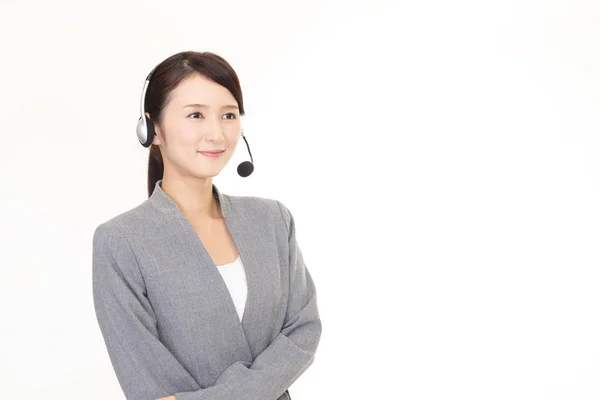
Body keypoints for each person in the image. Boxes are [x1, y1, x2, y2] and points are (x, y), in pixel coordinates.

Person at [92, 51, 322, 400]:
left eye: (228, 115)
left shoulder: (273, 220)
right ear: (151, 129)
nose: (216, 133)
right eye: (196, 115)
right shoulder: (122, 241)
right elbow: (145, 379)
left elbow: (303, 331)